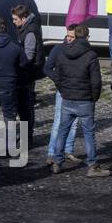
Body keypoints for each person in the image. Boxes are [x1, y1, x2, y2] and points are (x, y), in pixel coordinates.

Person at [49, 25, 108, 177]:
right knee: (89, 133)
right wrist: (94, 97)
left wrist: (63, 90)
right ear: (87, 37)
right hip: (85, 100)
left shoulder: (62, 52)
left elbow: (57, 75)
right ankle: (92, 164)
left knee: (63, 131)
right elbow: (96, 81)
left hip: (67, 98)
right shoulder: (91, 55)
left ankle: (57, 161)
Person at [44, 26, 79, 165]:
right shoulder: (59, 49)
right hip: (63, 90)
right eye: (68, 36)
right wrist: (58, 80)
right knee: (59, 121)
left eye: (72, 37)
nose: (69, 38)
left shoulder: (81, 50)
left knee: (75, 122)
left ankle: (68, 150)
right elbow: (47, 68)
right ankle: (52, 152)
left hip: (78, 90)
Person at [11, 3, 43, 146]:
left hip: (27, 73)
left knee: (25, 108)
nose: (13, 22)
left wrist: (16, 61)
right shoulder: (26, 28)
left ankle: (27, 138)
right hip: (26, 73)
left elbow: (29, 56)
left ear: (24, 18)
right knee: (24, 107)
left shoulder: (30, 32)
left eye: (15, 19)